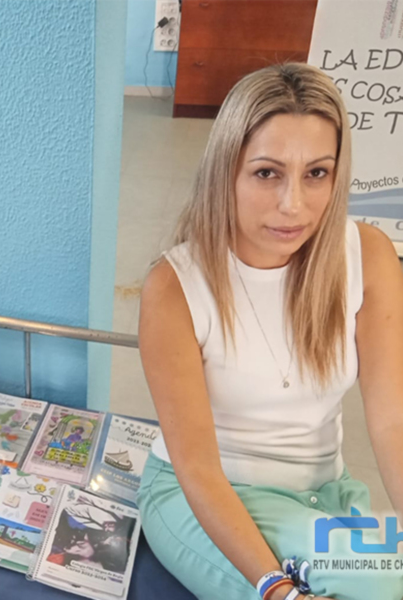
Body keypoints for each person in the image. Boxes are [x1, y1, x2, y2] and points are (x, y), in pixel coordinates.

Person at [137, 62, 403, 600]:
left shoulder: (368, 256)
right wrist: (276, 589)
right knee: (380, 584)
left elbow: (393, 421)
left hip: (325, 497)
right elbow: (197, 468)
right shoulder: (174, 287)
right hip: (205, 499)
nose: (294, 205)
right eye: (267, 173)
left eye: (316, 173)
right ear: (226, 170)